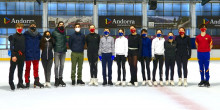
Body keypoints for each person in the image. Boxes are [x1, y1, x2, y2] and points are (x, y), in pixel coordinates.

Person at [24, 21, 44, 88]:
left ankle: (36, 81)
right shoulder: (26, 34)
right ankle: (27, 81)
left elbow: (44, 40)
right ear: (29, 26)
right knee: (27, 69)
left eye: (34, 25)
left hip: (36, 54)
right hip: (28, 54)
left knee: (36, 69)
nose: (33, 26)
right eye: (32, 25)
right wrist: (12, 39)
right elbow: (20, 39)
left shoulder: (38, 34)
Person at [8, 23, 26, 90]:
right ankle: (11, 83)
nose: (20, 28)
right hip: (15, 56)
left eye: (21, 27)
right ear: (16, 28)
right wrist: (13, 56)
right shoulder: (13, 36)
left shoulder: (23, 37)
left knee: (20, 70)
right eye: (18, 27)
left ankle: (20, 83)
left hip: (22, 56)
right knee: (12, 70)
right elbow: (11, 47)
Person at [52, 21, 67, 87]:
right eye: (60, 24)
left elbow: (65, 41)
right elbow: (52, 41)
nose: (61, 25)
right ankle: (56, 79)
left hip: (63, 51)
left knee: (62, 65)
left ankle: (60, 78)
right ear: (58, 25)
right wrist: (54, 46)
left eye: (62, 24)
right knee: (56, 66)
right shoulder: (54, 32)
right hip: (57, 51)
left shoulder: (64, 32)